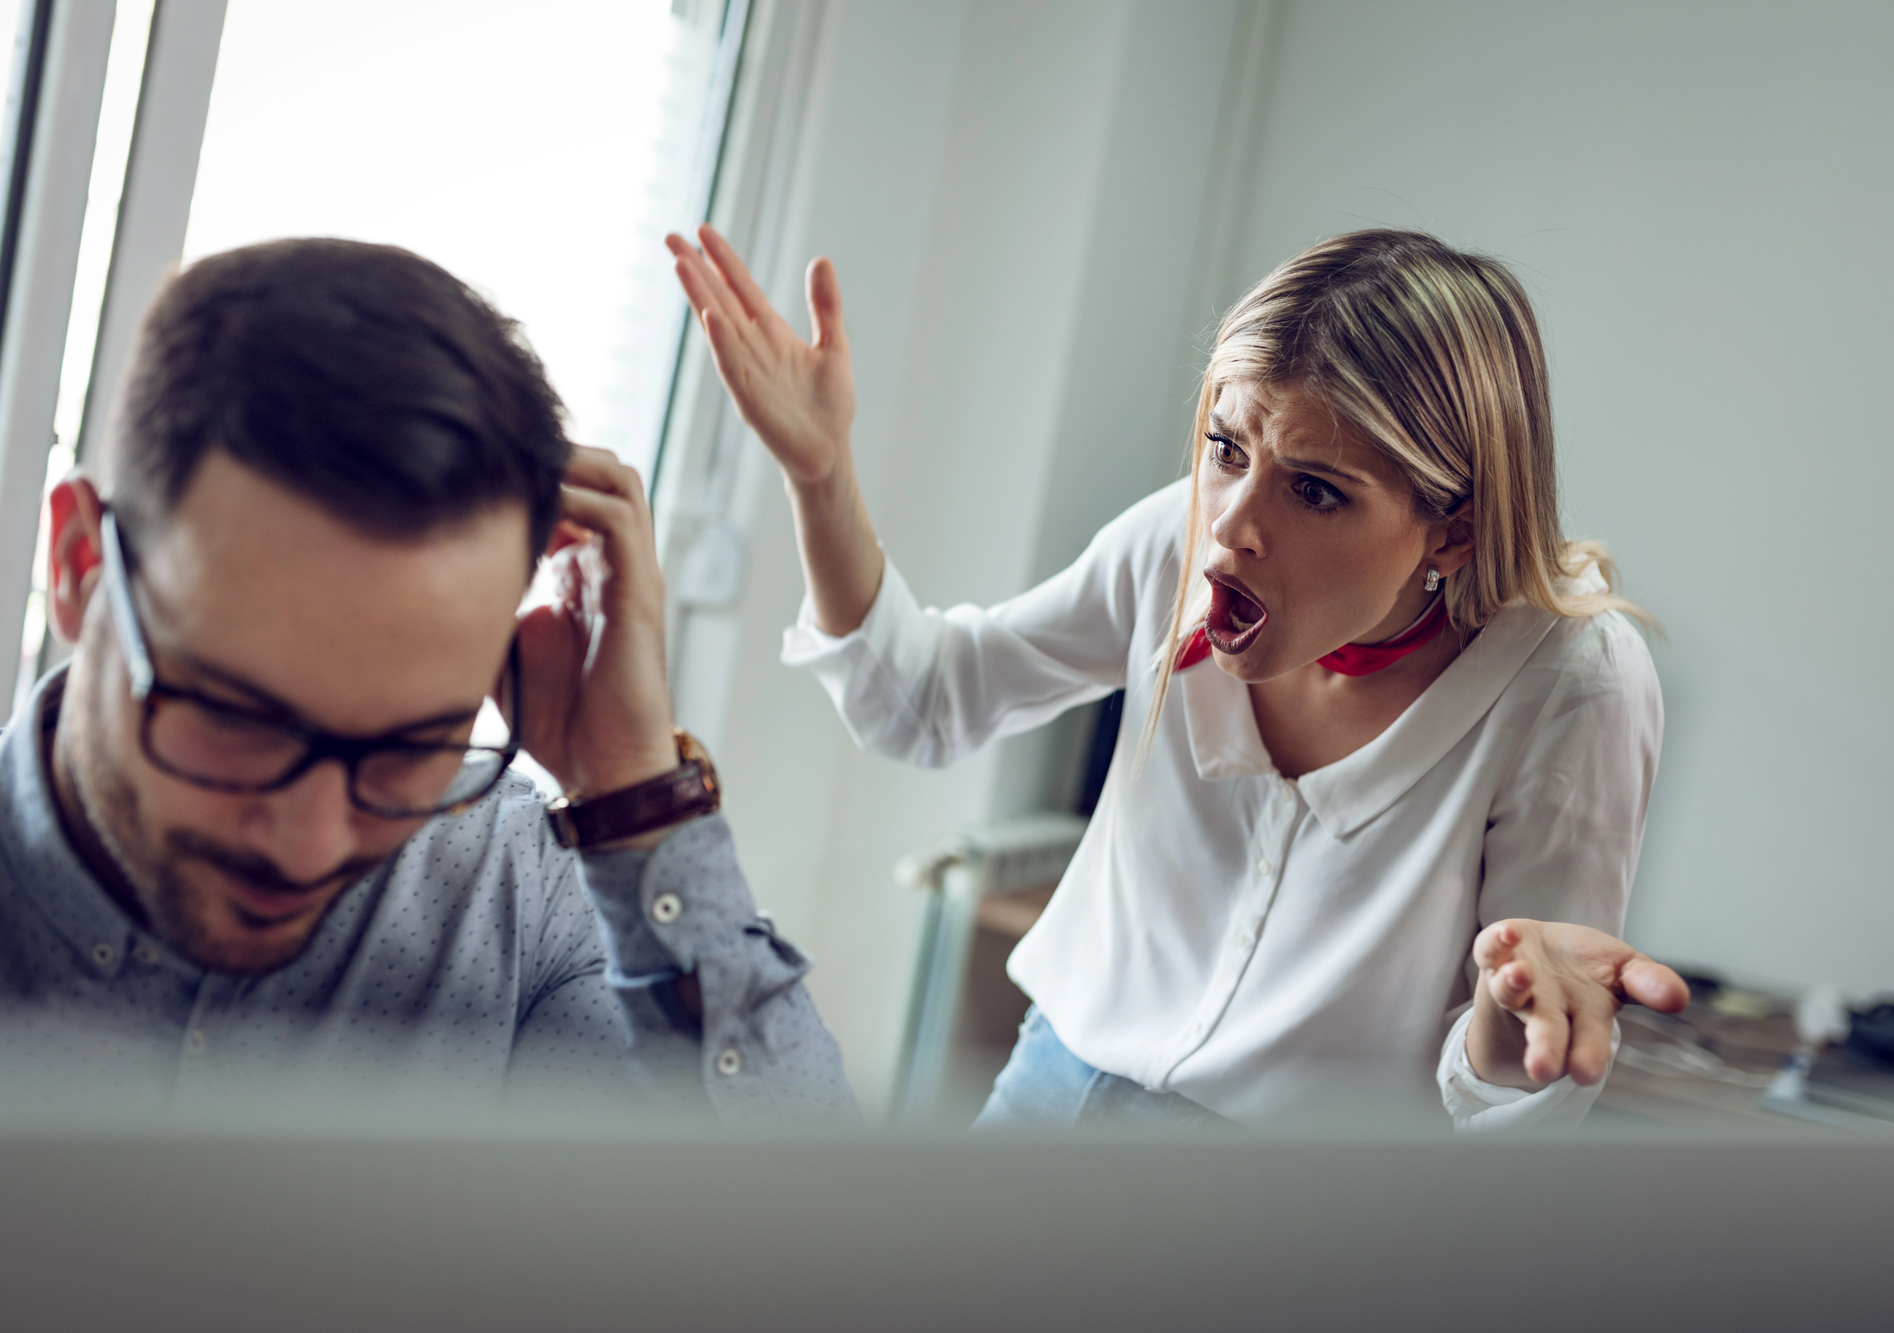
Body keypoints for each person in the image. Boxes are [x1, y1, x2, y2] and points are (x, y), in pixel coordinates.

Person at [667, 224, 1688, 1132]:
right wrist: (819, 472)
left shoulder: (1573, 679)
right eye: (1223, 448)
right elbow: (925, 704)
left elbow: (1511, 1114)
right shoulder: (1176, 538)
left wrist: (1512, 1030)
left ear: (1453, 529)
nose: (1233, 527)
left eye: (1316, 491)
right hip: (1048, 1092)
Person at [0, 239, 852, 1124]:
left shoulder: (515, 890)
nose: (310, 844)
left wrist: (638, 796)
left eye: (408, 745)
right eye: (236, 718)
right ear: (77, 566)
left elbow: (823, 1257)